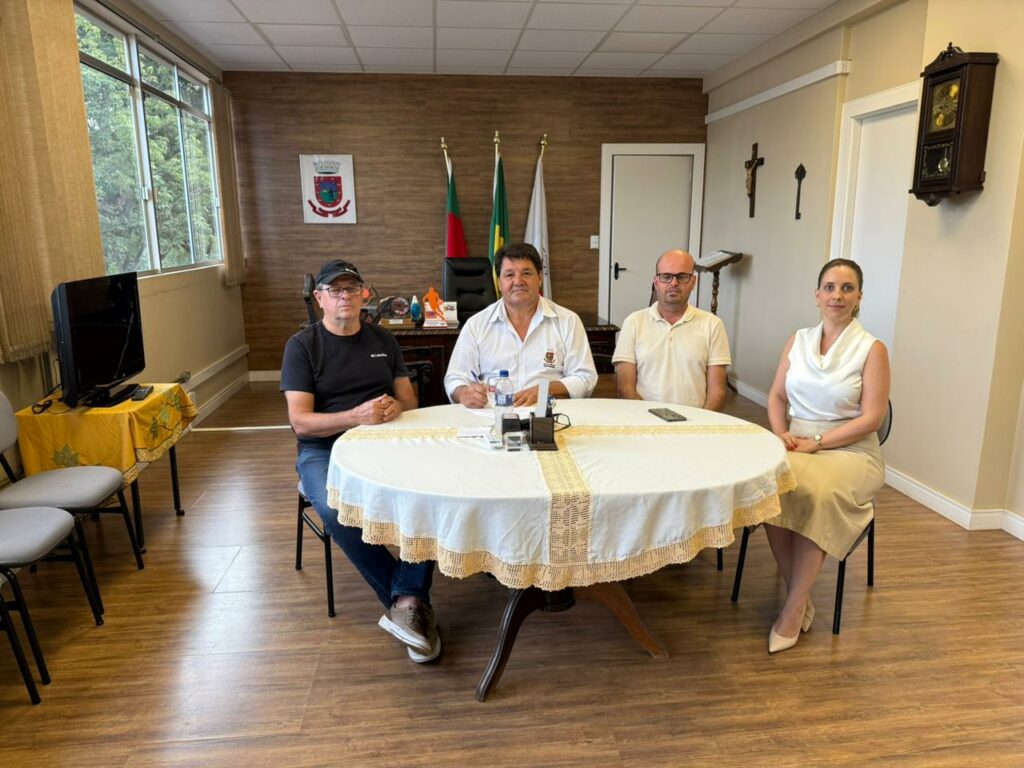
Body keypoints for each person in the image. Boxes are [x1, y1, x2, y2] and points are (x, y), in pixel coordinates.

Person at [281, 259, 441, 663]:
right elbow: (300, 421)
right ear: (319, 299)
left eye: (351, 289)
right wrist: (354, 416)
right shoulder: (302, 346)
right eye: (334, 290)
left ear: (364, 295)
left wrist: (395, 408)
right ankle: (408, 602)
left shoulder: (383, 340)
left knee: (429, 489)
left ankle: (407, 602)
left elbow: (409, 400)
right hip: (323, 449)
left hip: (384, 441)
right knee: (336, 508)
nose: (344, 297)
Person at [763, 258, 890, 654]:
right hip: (796, 442)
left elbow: (872, 419)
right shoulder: (797, 340)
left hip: (850, 450)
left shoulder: (872, 349)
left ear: (859, 297)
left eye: (847, 288)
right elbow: (776, 396)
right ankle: (798, 593)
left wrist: (819, 441)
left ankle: (792, 609)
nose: (837, 295)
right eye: (830, 287)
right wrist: (780, 433)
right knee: (767, 487)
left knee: (818, 495)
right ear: (816, 295)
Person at [444, 242, 597, 407]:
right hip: (492, 414)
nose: (518, 281)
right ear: (499, 283)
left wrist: (544, 390)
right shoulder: (476, 325)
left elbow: (585, 377)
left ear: (539, 278)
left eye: (526, 273)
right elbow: (455, 378)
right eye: (509, 275)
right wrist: (464, 393)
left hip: (549, 414)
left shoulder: (568, 321)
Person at [612, 249, 731, 410]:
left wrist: (701, 422)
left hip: (696, 420)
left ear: (693, 282)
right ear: (656, 282)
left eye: (682, 276)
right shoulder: (633, 323)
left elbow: (717, 392)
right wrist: (648, 419)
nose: (674, 283)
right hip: (645, 418)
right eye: (666, 276)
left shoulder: (713, 325)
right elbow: (625, 388)